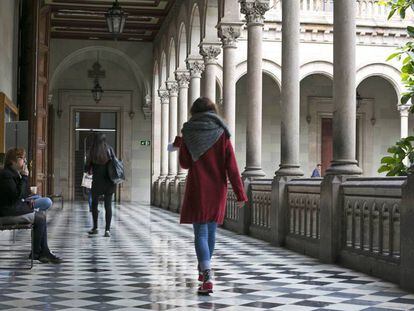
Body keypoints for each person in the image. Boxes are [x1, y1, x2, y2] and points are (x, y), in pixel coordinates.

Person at [173, 97, 248, 295]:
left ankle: (206, 274)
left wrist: (181, 145)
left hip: (198, 187)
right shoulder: (222, 132)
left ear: (194, 112)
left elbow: (185, 164)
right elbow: (231, 166)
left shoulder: (188, 132)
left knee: (200, 233)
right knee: (211, 232)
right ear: (212, 111)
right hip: (217, 188)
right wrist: (240, 193)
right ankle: (205, 269)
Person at [0, 148, 61, 264]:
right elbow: (16, 197)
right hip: (7, 213)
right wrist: (24, 177)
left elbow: (21, 193)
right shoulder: (6, 175)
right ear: (14, 161)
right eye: (23, 159)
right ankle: (37, 253)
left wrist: (23, 177)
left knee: (40, 216)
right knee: (40, 218)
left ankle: (43, 252)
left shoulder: (11, 173)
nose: (25, 161)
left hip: (11, 209)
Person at [85, 133, 116, 237]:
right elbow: (115, 163)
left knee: (94, 204)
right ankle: (107, 230)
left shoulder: (92, 151)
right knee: (108, 206)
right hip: (109, 182)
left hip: (97, 182)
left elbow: (87, 168)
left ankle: (95, 227)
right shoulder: (110, 149)